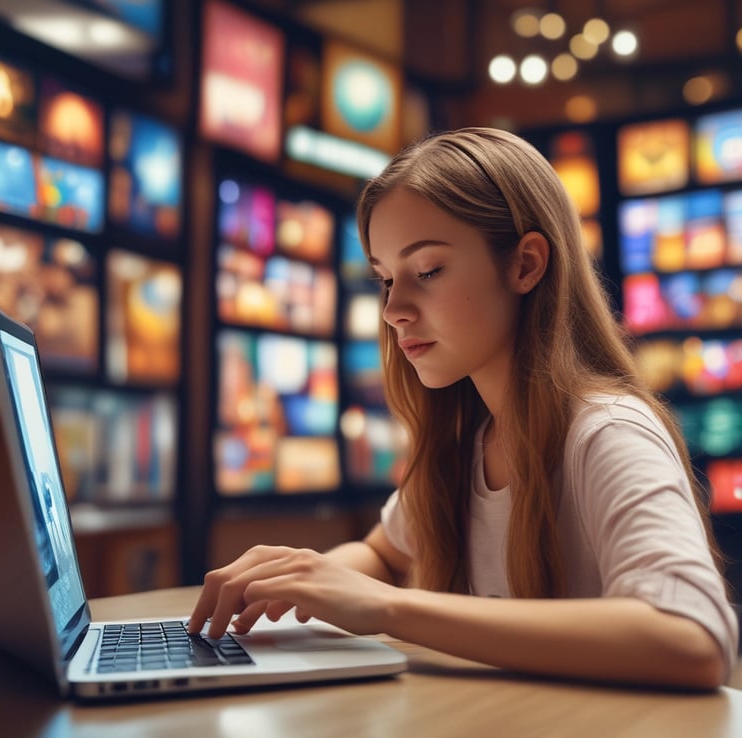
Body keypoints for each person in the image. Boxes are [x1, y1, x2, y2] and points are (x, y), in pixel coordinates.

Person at [189, 127, 739, 689]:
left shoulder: (607, 432)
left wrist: (387, 607)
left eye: (426, 271)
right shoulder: (468, 439)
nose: (393, 309)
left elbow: (693, 637)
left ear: (526, 265)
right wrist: (300, 578)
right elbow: (383, 554)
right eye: (384, 280)